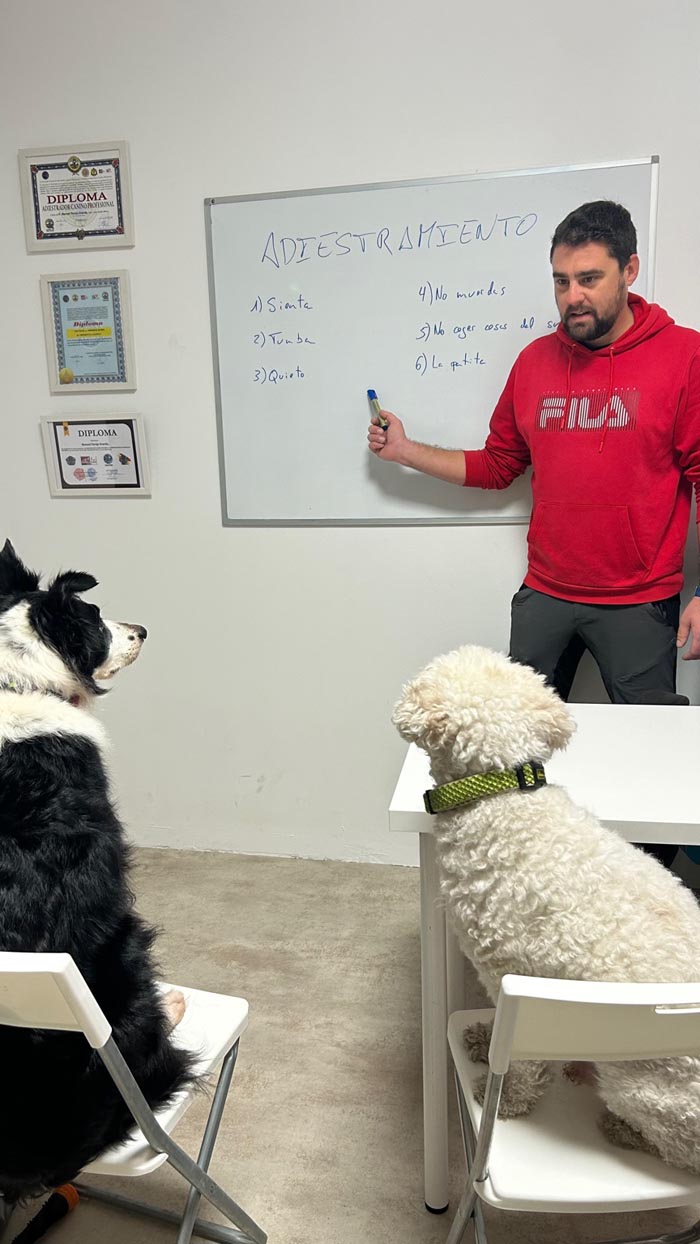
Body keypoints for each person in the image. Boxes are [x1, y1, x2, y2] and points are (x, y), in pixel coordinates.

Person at [368, 200, 700, 867]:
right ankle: (523, 870)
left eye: (589, 278)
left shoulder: (684, 357)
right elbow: (498, 466)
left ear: (629, 270)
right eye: (560, 280)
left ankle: (655, 891)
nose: (572, 297)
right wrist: (405, 452)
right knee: (509, 753)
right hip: (546, 593)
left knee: (659, 761)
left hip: (640, 600)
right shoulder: (535, 362)